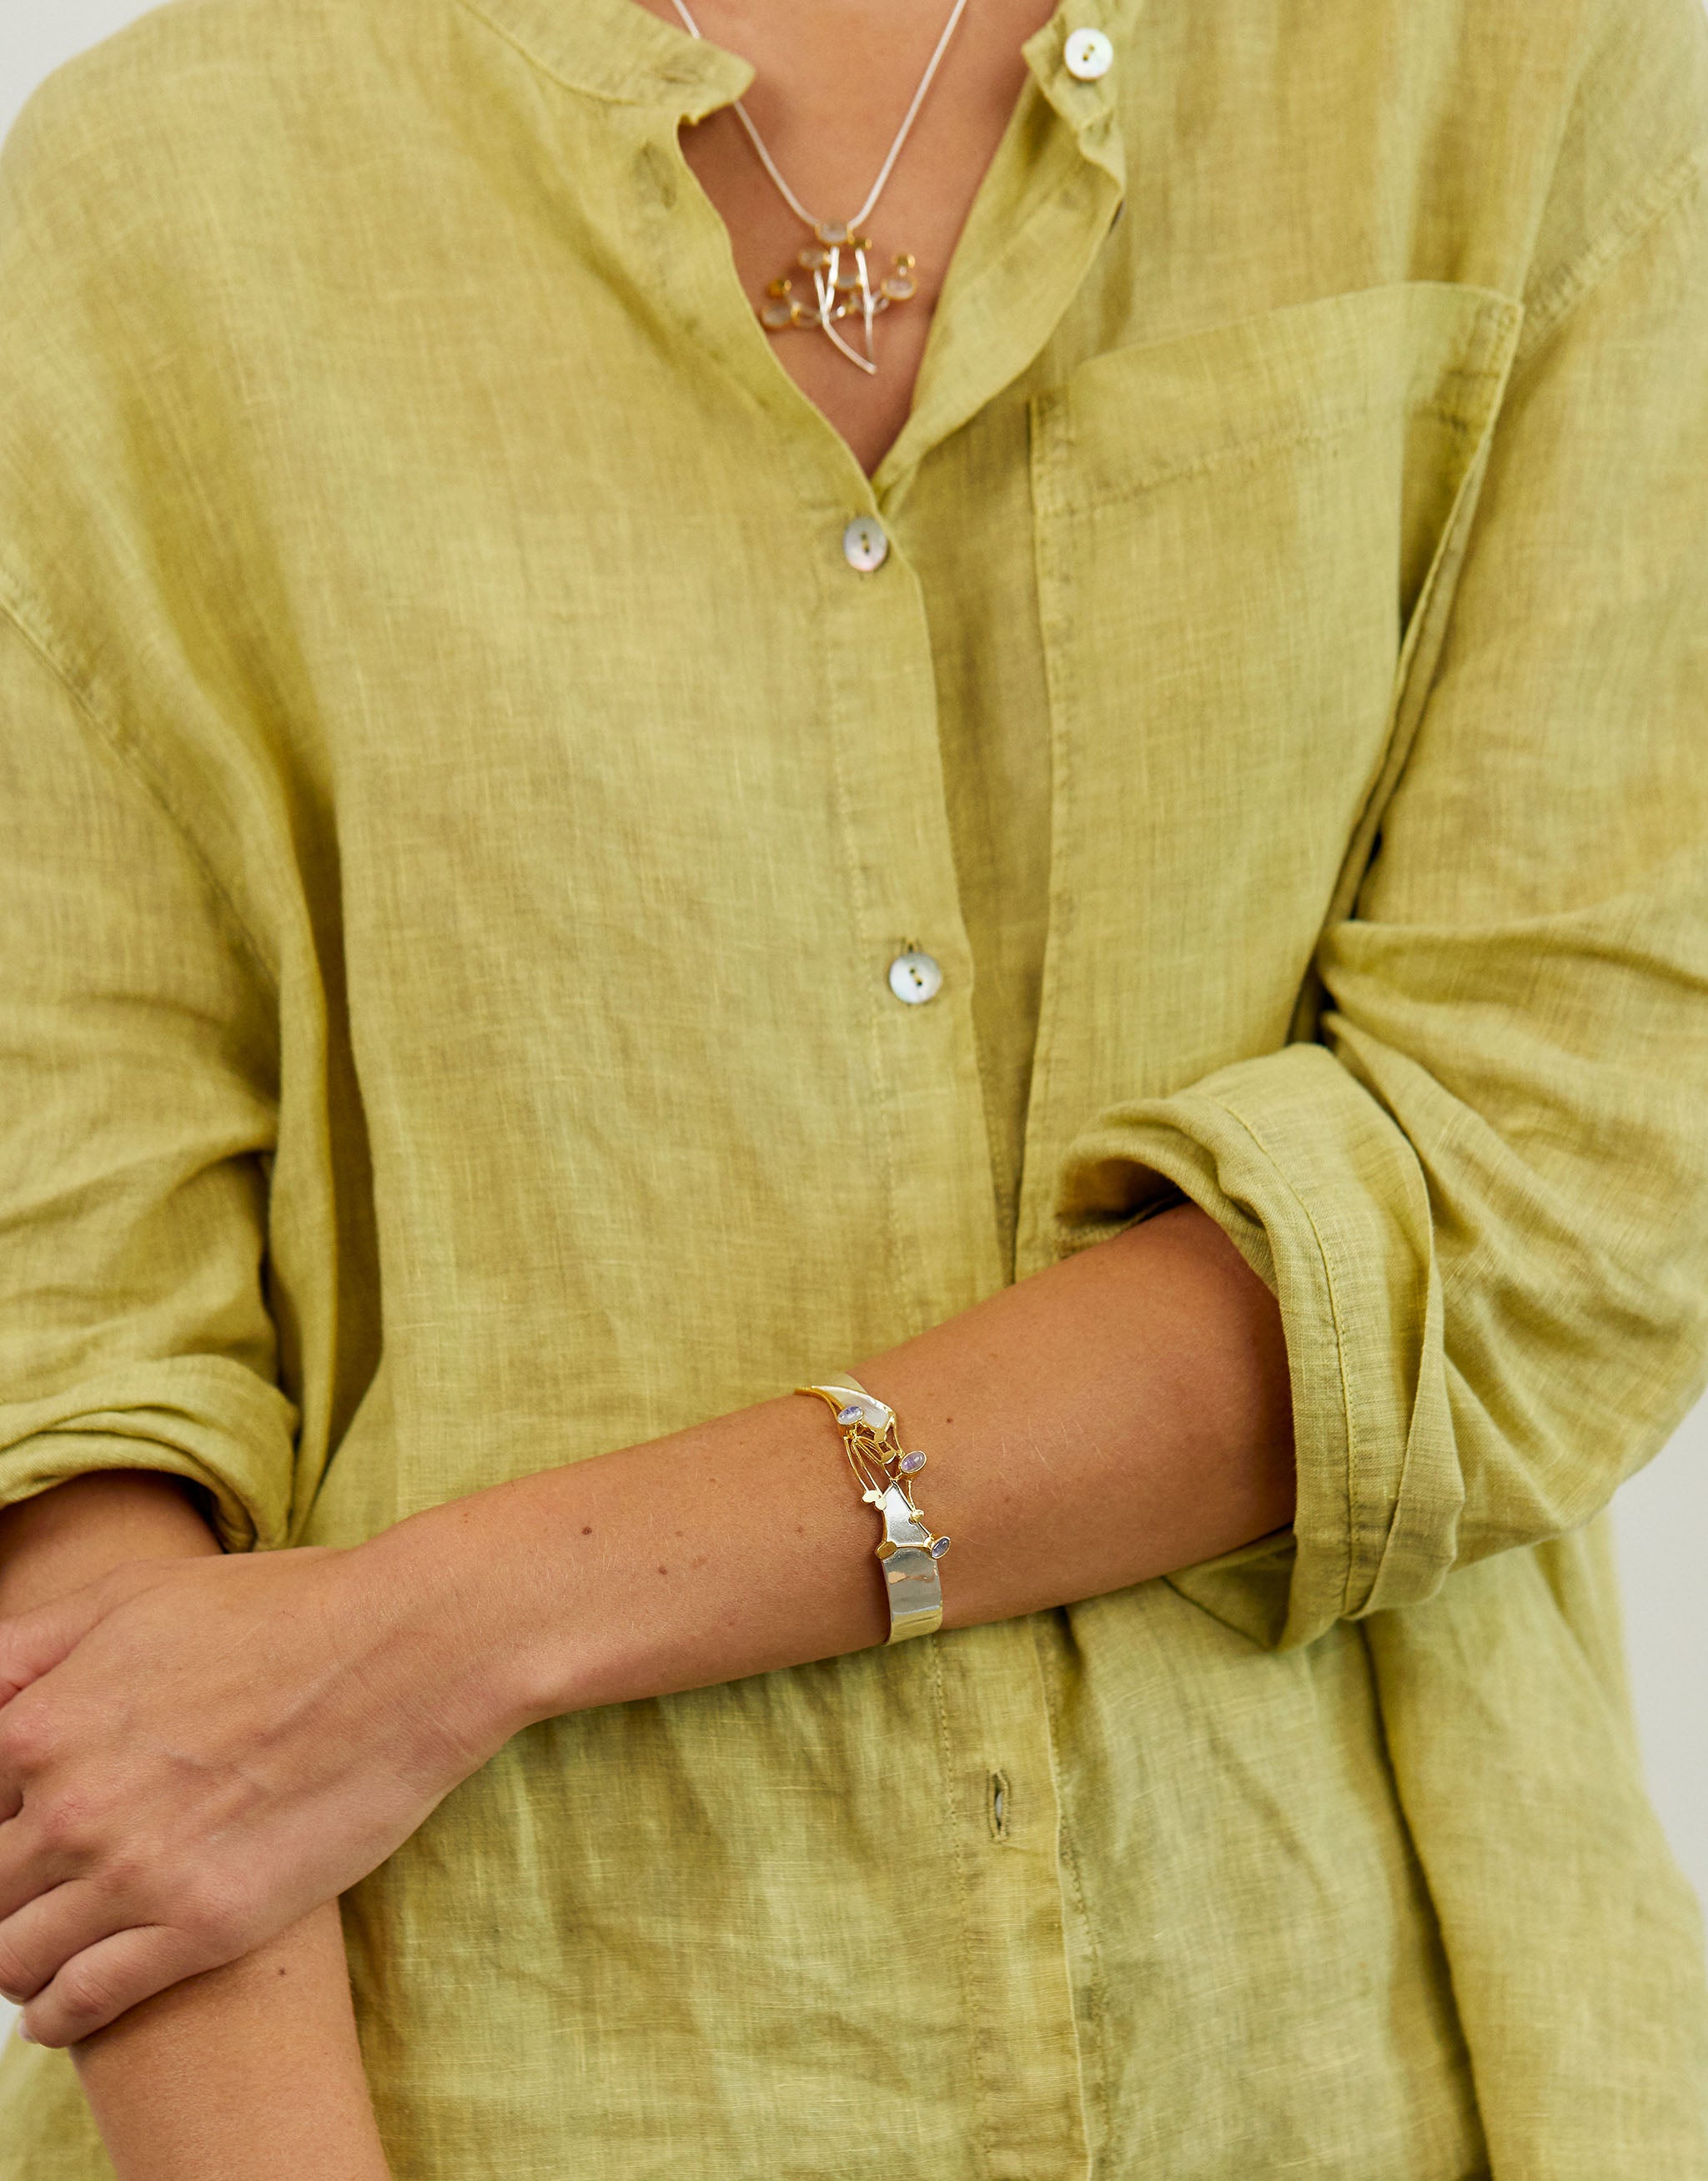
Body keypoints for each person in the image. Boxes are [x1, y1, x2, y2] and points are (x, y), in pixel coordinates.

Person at [1, 0, 1706, 2171]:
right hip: (480, 2093)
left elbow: (1558, 1187)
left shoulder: (1522, 65)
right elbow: (68, 1384)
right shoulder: (159, 201)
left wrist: (449, 1636)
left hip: (1345, 2073)